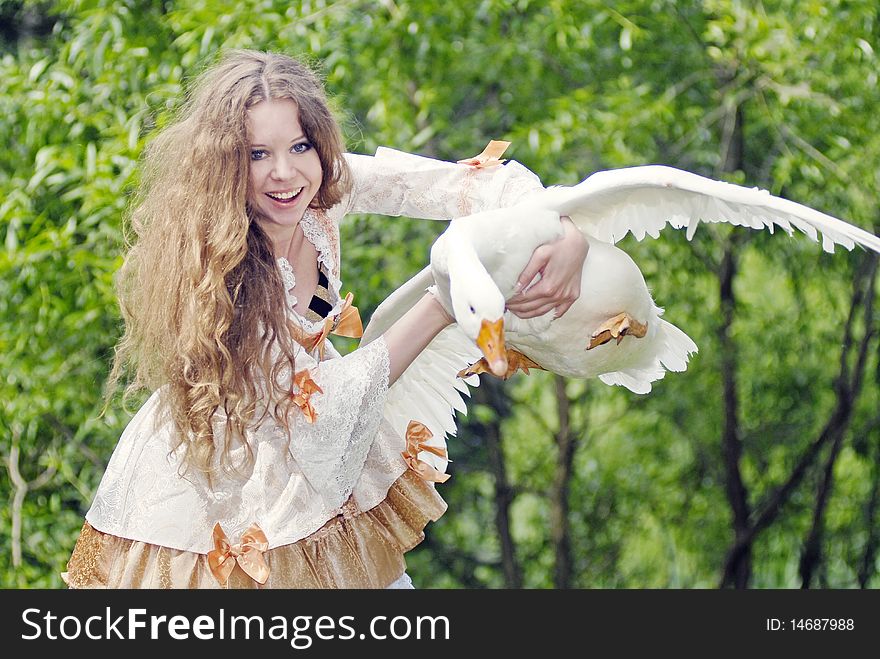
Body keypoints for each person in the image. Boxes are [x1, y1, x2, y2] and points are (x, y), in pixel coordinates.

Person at [63, 49, 588, 588]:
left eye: (299, 146)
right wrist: (439, 303)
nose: (284, 172)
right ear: (223, 164)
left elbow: (471, 184)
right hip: (222, 493)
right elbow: (316, 421)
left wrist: (563, 229)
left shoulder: (319, 197)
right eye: (256, 154)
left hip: (317, 457)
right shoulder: (229, 271)